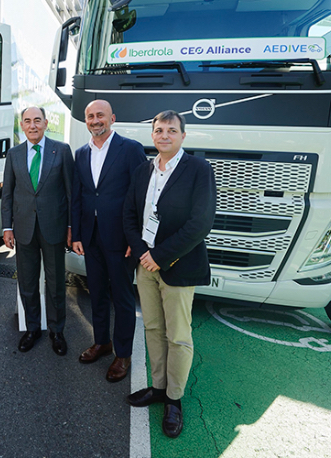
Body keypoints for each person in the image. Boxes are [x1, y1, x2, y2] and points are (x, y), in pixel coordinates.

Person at [123, 110, 216, 438]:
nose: (164, 135)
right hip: (145, 265)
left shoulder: (199, 170)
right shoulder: (142, 171)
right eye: (159, 130)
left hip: (177, 265)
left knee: (178, 335)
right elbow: (130, 214)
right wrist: (141, 251)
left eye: (171, 130)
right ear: (153, 135)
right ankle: (159, 388)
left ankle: (175, 399)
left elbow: (201, 222)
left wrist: (160, 256)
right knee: (152, 329)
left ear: (182, 136)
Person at [71, 99, 146, 381]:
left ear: (112, 118)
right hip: (90, 237)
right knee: (97, 293)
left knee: (123, 298)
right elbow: (78, 196)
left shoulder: (130, 149)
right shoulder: (81, 153)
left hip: (121, 240)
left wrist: (135, 239)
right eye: (90, 116)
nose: (95, 120)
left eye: (100, 115)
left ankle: (123, 355)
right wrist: (76, 234)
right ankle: (102, 342)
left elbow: (141, 195)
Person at [2, 106, 74, 355]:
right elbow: (8, 194)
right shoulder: (14, 154)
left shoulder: (62, 150)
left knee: (55, 284)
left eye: (37, 120)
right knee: (28, 282)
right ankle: (32, 328)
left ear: (45, 123)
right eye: (27, 121)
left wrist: (70, 226)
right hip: (23, 229)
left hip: (54, 227)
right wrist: (7, 227)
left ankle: (57, 331)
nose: (32, 125)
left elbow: (70, 193)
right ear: (21, 125)